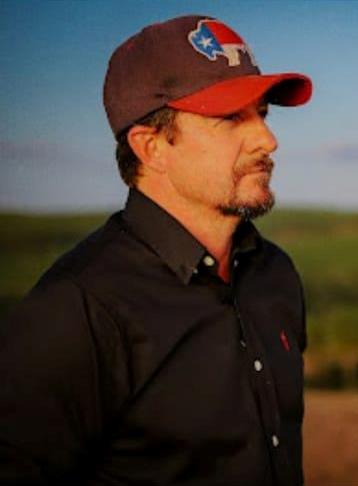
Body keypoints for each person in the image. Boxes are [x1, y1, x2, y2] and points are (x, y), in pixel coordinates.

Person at [0, 15, 312, 485]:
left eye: (262, 114)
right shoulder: (78, 309)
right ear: (151, 147)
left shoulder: (275, 275)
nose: (268, 140)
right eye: (231, 118)